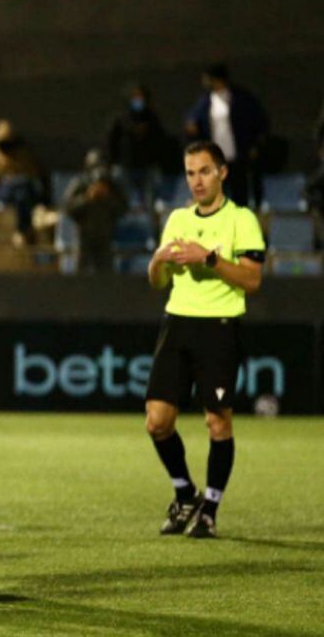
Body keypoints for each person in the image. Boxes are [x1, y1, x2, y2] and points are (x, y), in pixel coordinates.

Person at [145, 141, 264, 539]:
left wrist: (208, 258)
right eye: (191, 173)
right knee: (157, 422)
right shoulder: (177, 218)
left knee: (217, 423)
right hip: (177, 322)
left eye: (205, 171)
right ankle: (185, 494)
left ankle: (209, 509)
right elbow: (158, 282)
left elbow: (252, 279)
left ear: (222, 172)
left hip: (219, 325)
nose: (197, 181)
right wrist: (158, 261)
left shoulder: (241, 219)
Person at [185, 64, 269, 209]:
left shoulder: (240, 98)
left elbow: (259, 121)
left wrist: (255, 145)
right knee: (218, 197)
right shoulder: (206, 101)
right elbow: (193, 119)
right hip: (216, 159)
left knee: (240, 197)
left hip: (237, 157)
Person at [0, 119, 48, 245]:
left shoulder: (23, 154)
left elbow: (34, 172)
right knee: (15, 195)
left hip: (23, 190)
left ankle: (24, 231)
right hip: (3, 190)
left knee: (23, 197)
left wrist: (20, 175)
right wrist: (3, 176)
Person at [107, 83, 169, 207]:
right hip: (127, 166)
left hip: (147, 166)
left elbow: (160, 140)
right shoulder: (121, 118)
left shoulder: (152, 118)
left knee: (149, 202)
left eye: (140, 97)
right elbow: (112, 142)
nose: (138, 100)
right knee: (125, 202)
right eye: (135, 97)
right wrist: (115, 162)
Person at [63, 157, 128, 274]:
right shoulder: (80, 183)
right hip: (84, 235)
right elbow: (68, 208)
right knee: (81, 274)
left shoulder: (112, 185)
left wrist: (108, 197)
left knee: (106, 273)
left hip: (105, 235)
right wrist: (87, 198)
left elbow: (123, 209)